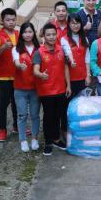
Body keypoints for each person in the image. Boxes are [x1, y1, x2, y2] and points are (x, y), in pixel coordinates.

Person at [33, 23, 71, 156]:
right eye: (48, 35)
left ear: (57, 35)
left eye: (53, 34)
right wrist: (40, 74)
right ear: (44, 36)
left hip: (61, 88)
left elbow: (66, 67)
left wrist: (68, 85)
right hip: (46, 90)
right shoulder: (39, 52)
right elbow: (35, 70)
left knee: (59, 115)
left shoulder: (61, 50)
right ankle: (48, 142)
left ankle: (56, 139)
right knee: (49, 116)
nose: (51, 37)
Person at [0, 8, 19, 142]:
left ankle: (17, 126)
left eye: (13, 19)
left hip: (19, 76)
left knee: (18, 103)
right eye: (8, 20)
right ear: (2, 21)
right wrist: (2, 48)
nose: (11, 22)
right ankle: (2, 130)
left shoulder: (19, 34)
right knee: (3, 104)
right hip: (4, 77)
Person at [60, 14, 91, 138]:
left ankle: (79, 132)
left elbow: (87, 58)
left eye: (77, 23)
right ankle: (66, 132)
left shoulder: (85, 39)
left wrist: (88, 75)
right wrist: (71, 60)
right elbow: (67, 52)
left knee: (81, 107)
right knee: (66, 107)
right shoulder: (64, 39)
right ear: (68, 24)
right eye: (72, 23)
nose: (75, 25)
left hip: (82, 77)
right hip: (68, 79)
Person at [12, 22, 40, 152]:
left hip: (36, 88)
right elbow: (16, 61)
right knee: (22, 115)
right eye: (25, 32)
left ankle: (34, 138)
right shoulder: (16, 49)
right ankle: (23, 140)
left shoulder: (39, 48)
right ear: (21, 34)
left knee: (35, 115)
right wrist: (19, 66)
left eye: (30, 32)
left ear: (34, 33)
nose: (28, 34)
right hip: (20, 88)